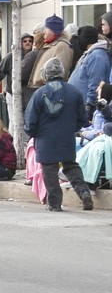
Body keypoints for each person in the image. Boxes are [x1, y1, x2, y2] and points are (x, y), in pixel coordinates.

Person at [24, 58, 93, 211]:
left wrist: (34, 133)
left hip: (45, 140)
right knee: (71, 166)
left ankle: (54, 204)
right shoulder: (74, 92)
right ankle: (84, 193)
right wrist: (70, 128)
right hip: (66, 138)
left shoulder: (39, 94)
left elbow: (30, 122)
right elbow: (83, 118)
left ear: (46, 74)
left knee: (49, 170)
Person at [67, 25, 110, 116]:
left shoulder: (97, 56)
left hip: (85, 107)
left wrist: (89, 105)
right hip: (77, 105)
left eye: (80, 38)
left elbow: (96, 83)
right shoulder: (89, 54)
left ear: (85, 39)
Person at [27, 15, 74, 92]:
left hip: (50, 91)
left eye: (47, 28)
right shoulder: (52, 45)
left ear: (54, 30)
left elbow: (60, 73)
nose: (44, 32)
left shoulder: (62, 46)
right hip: (43, 89)